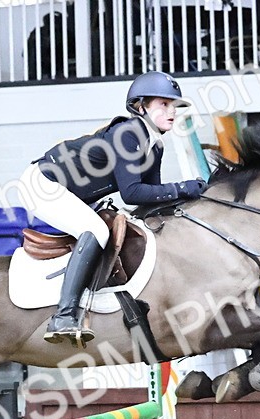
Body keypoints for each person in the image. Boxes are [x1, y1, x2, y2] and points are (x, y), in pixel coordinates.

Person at [20, 71, 207, 345]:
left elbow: (149, 200)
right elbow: (132, 193)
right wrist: (184, 188)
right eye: (164, 104)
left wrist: (189, 200)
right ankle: (63, 316)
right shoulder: (129, 133)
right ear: (141, 106)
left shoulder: (155, 146)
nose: (172, 112)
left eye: (174, 106)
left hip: (73, 191)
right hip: (42, 183)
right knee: (95, 229)